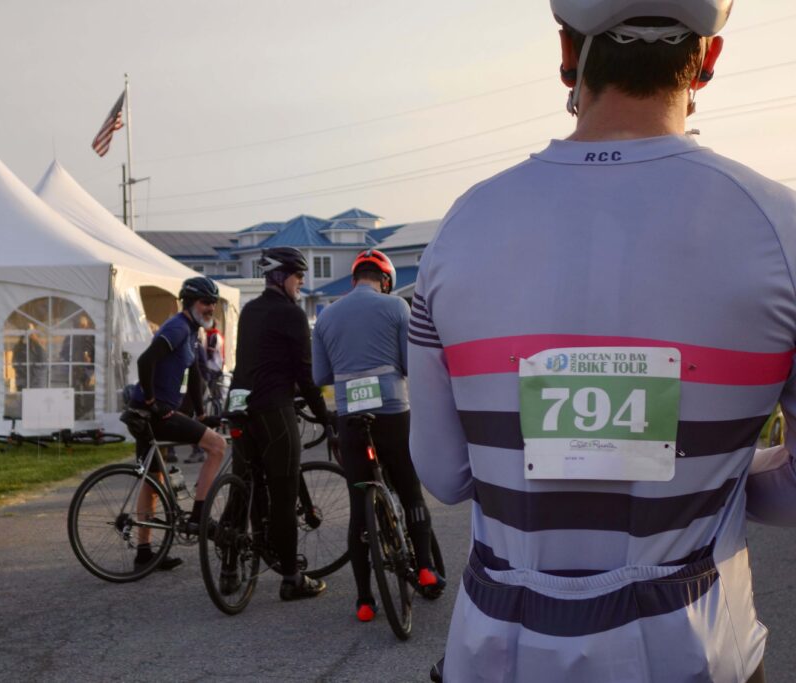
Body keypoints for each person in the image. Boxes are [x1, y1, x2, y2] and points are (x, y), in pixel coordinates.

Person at [409, 2, 794, 681]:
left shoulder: (460, 228)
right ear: (708, 59)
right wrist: (714, 474)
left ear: (568, 52)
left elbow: (445, 473)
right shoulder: (780, 226)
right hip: (702, 652)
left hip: (497, 649)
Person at [312, 249, 443, 623]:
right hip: (391, 411)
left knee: (359, 505)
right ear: (385, 280)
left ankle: (365, 600)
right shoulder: (397, 307)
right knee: (409, 489)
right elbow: (409, 363)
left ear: (354, 279)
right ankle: (425, 568)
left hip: (351, 417)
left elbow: (320, 376)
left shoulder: (326, 317)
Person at [236, 246, 333, 600]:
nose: (301, 282)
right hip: (274, 409)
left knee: (243, 486)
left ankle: (229, 569)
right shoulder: (291, 314)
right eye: (298, 275)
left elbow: (244, 363)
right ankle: (292, 578)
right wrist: (324, 416)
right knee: (283, 494)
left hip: (240, 408)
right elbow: (305, 375)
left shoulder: (249, 311)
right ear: (282, 277)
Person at [128, 277, 227, 570]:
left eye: (213, 303)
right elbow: (145, 361)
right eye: (206, 302)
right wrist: (151, 401)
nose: (210, 308)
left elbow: (194, 373)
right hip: (152, 414)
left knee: (153, 481)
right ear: (191, 303)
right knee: (217, 446)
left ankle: (144, 553)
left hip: (149, 413)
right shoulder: (177, 327)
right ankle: (199, 516)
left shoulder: (192, 330)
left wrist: (200, 414)